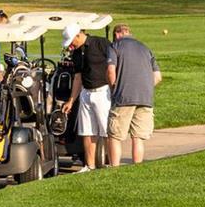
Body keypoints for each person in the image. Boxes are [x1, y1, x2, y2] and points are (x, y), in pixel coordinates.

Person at [60, 22, 115, 173]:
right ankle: (89, 166)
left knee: (106, 131)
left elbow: (114, 65)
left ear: (78, 35)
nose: (70, 45)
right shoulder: (76, 52)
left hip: (103, 91)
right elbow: (78, 77)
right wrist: (71, 100)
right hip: (86, 92)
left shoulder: (100, 43)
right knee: (87, 131)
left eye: (72, 41)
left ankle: (112, 163)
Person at [106, 23, 162, 166]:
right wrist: (144, 87)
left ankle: (115, 169)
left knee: (115, 136)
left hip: (123, 97)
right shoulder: (145, 48)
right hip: (145, 97)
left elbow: (111, 70)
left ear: (117, 34)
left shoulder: (115, 46)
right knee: (137, 137)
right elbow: (157, 77)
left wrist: (114, 89)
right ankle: (137, 168)